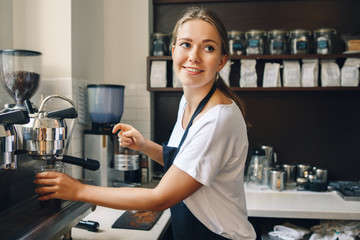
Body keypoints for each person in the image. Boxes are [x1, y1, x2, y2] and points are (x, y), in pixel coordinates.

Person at [34, 7, 256, 240]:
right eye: (186, 44)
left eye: (208, 47)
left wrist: (79, 190)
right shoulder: (189, 100)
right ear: (173, 50)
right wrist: (144, 145)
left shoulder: (217, 118)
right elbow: (188, 164)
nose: (194, 56)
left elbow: (160, 198)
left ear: (222, 61)